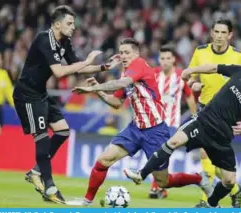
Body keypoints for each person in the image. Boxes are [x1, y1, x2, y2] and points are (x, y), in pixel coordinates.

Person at [67, 37, 212, 206]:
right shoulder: (125, 72)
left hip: (156, 131)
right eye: (121, 53)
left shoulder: (139, 65)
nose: (123, 56)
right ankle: (87, 201)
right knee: (104, 160)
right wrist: (98, 92)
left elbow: (122, 83)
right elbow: (116, 102)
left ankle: (198, 178)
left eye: (127, 52)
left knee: (163, 181)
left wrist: (94, 88)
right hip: (135, 129)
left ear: (136, 54)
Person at [124, 57, 241, 208]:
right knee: (173, 141)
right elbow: (213, 68)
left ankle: (211, 204)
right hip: (203, 121)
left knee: (229, 181)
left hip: (221, 138)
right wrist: (191, 70)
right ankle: (141, 174)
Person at [12, 5, 118, 204]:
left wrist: (104, 66)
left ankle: (36, 171)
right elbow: (60, 72)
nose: (73, 27)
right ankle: (49, 186)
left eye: (73, 24)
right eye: (69, 23)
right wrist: (86, 61)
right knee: (42, 137)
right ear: (57, 24)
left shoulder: (64, 41)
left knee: (63, 131)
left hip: (40, 93)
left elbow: (78, 67)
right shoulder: (44, 39)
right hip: (27, 95)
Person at [187, 18, 241, 207]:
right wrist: (193, 84)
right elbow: (189, 78)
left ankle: (212, 199)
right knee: (207, 153)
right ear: (211, 33)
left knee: (211, 156)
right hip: (205, 107)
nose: (220, 36)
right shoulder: (200, 52)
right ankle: (231, 191)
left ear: (230, 35)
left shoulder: (238, 56)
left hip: (227, 112)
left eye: (224, 33)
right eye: (217, 32)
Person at [149, 45, 198, 199]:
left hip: (171, 122)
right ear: (158, 59)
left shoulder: (180, 76)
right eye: (162, 58)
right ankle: (161, 186)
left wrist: (195, 115)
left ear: (173, 59)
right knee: (155, 154)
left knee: (161, 151)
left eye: (168, 58)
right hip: (153, 122)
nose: (164, 61)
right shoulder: (153, 74)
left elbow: (189, 96)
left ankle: (156, 187)